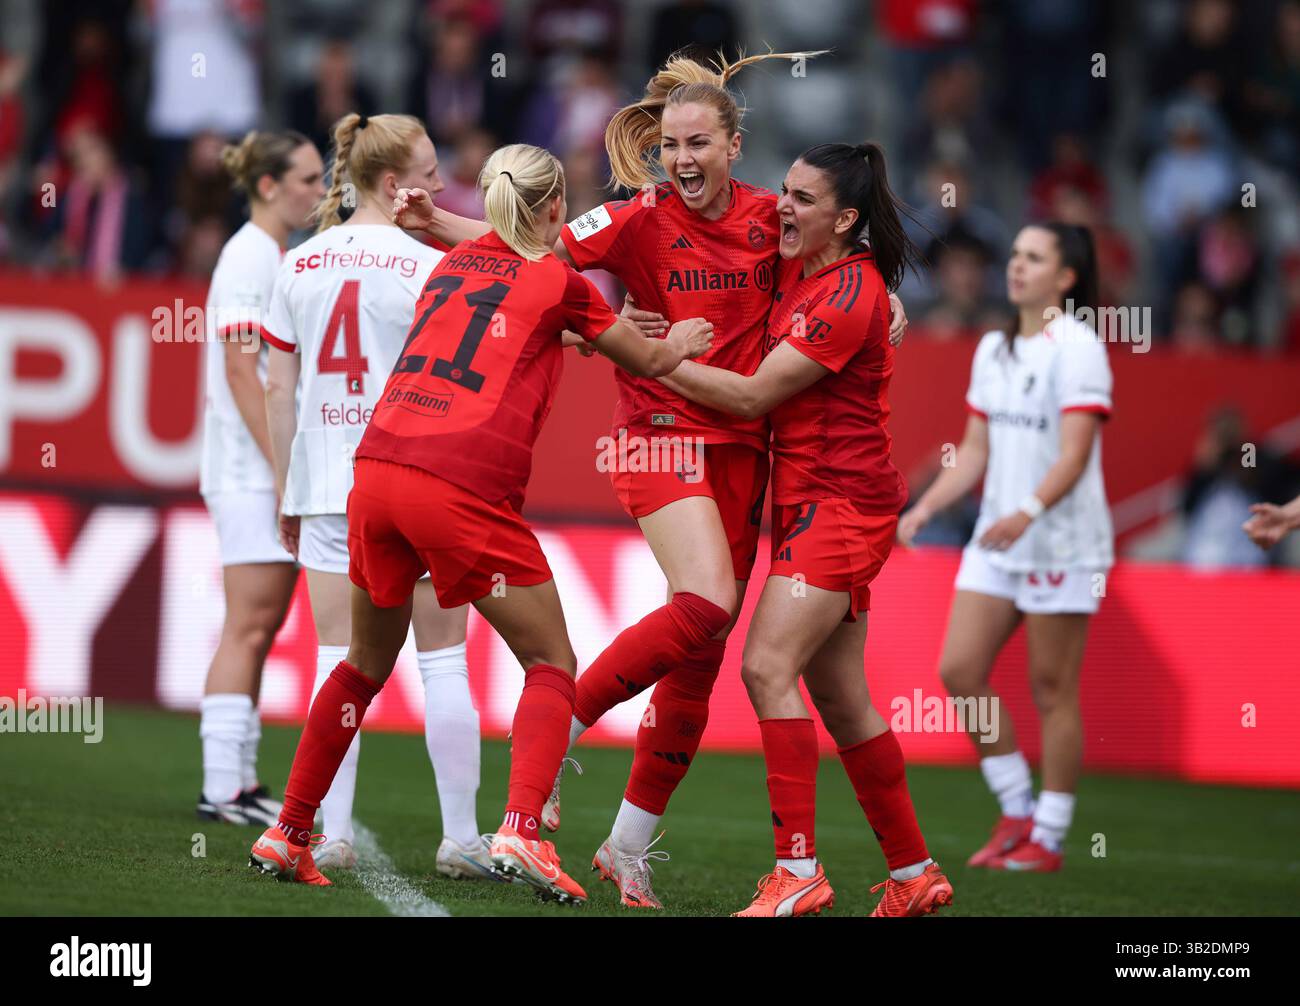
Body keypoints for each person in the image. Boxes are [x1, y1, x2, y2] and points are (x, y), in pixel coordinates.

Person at [395, 50, 908, 909]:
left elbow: (834, 269)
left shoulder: (768, 223)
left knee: (699, 666)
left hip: (745, 453)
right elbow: (529, 249)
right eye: (671, 145)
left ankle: (628, 847)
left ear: (733, 145)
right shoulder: (634, 219)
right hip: (657, 436)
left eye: (699, 143)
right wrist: (434, 224)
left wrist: (886, 294)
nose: (682, 160)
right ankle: (563, 732)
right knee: (708, 603)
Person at [248, 143, 715, 903]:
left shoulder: (450, 268)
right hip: (458, 484)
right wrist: (681, 342)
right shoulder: (562, 281)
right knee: (551, 663)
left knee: (363, 666)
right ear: (557, 208)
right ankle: (522, 830)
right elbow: (647, 361)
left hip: (376, 472)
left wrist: (577, 331)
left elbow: (506, 325)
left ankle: (289, 828)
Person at [653, 142, 953, 917]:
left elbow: (752, 398)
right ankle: (914, 871)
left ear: (844, 218)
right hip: (812, 503)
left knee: (764, 667)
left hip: (842, 508)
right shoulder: (818, 270)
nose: (783, 207)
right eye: (784, 191)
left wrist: (648, 357)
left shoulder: (847, 293)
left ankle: (798, 870)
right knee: (842, 696)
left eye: (803, 199)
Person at [257, 113, 491, 880]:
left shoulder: (296, 265)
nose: (438, 185)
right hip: (412, 481)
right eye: (427, 172)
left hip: (326, 487)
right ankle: (461, 839)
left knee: (339, 662)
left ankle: (331, 833)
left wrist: (288, 491)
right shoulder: (430, 266)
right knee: (445, 662)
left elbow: (281, 391)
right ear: (394, 184)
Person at [898, 222, 1114, 873]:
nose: (1017, 266)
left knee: (1053, 690)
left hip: (1059, 543)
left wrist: (1029, 511)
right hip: (996, 538)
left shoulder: (1078, 348)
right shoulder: (992, 346)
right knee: (959, 670)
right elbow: (974, 452)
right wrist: (927, 506)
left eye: (1035, 257)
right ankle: (1015, 806)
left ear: (1066, 277)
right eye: (1015, 254)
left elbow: (1075, 455)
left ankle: (1049, 836)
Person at [197, 129, 323, 829]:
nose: (316, 189)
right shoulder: (249, 257)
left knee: (257, 623)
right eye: (305, 179)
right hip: (250, 469)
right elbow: (243, 371)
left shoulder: (264, 254)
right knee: (248, 624)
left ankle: (235, 780)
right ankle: (222, 786)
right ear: (269, 186)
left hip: (254, 466)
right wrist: (282, 472)